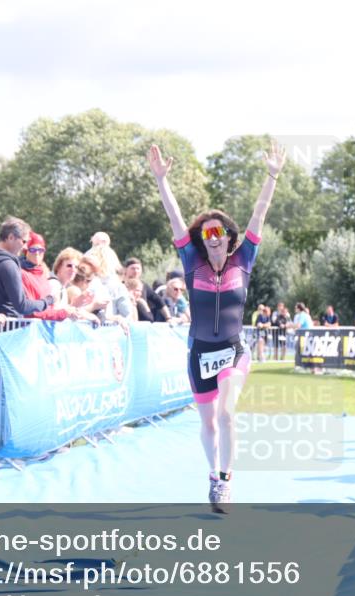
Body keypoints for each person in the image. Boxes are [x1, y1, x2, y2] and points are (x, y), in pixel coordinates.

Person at [149, 140, 285, 513]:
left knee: (226, 414)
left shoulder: (245, 259)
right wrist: (161, 181)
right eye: (206, 233)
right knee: (208, 424)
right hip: (199, 354)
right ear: (201, 240)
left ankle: (225, 480)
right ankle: (213, 473)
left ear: (228, 237)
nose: (213, 238)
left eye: (218, 232)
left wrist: (272, 176)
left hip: (233, 351)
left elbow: (260, 213)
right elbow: (175, 217)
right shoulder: (192, 262)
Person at [0, 216, 52, 318]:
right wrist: (47, 301)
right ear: (11, 237)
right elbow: (22, 305)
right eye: (24, 241)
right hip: (8, 325)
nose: (25, 247)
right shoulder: (9, 265)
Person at [124, 257, 170, 321]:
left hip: (146, 323)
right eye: (133, 268)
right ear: (126, 270)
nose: (136, 271)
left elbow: (159, 301)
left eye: (138, 268)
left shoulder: (144, 286)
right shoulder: (121, 286)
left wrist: (168, 318)